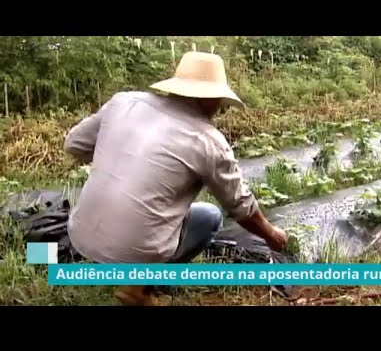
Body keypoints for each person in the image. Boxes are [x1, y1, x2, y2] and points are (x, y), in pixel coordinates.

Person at [63, 51, 288, 306]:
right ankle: (140, 286)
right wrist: (273, 235)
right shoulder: (209, 141)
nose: (220, 109)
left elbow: (73, 144)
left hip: (82, 235)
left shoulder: (123, 102)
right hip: (133, 251)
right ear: (211, 100)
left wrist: (116, 152)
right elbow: (241, 207)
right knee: (210, 216)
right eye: (220, 102)